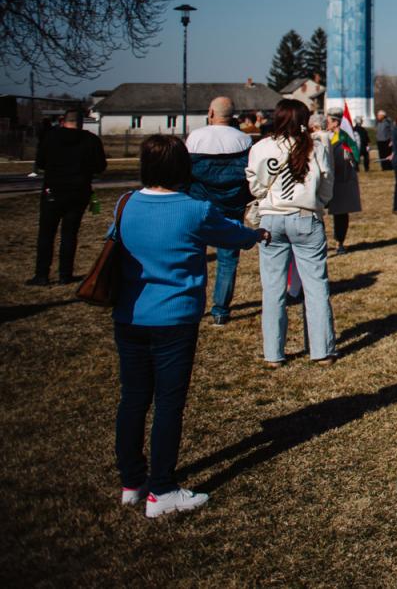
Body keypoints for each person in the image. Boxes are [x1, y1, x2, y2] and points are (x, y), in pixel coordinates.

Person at [113, 134, 265, 517]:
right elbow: (234, 236)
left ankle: (132, 481)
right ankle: (162, 489)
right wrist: (257, 234)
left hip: (130, 314)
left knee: (133, 398)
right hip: (174, 318)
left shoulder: (126, 203)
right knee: (168, 402)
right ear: (184, 168)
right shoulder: (194, 210)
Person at [247, 99, 337, 367]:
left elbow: (255, 185)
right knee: (316, 285)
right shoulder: (316, 147)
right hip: (306, 217)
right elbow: (327, 182)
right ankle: (322, 350)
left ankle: (273, 353)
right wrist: (319, 202)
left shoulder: (261, 148)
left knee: (273, 288)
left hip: (271, 219)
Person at [184, 96, 253, 323]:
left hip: (199, 205)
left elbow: (185, 174)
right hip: (231, 206)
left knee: (194, 259)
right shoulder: (244, 140)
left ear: (211, 113)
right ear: (232, 115)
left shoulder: (196, 138)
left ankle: (192, 306)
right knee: (227, 261)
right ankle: (221, 310)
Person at [30, 109, 107, 285]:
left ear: (63, 121)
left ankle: (41, 274)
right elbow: (100, 166)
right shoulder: (91, 140)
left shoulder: (50, 137)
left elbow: (40, 162)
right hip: (78, 192)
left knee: (46, 233)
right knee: (70, 233)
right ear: (82, 122)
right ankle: (65, 274)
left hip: (52, 191)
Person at [321, 113, 362, 254]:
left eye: (328, 121)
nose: (326, 124)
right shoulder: (326, 136)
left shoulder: (346, 138)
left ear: (336, 122)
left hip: (340, 180)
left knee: (340, 214)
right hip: (325, 180)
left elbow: (352, 158)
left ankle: (340, 242)